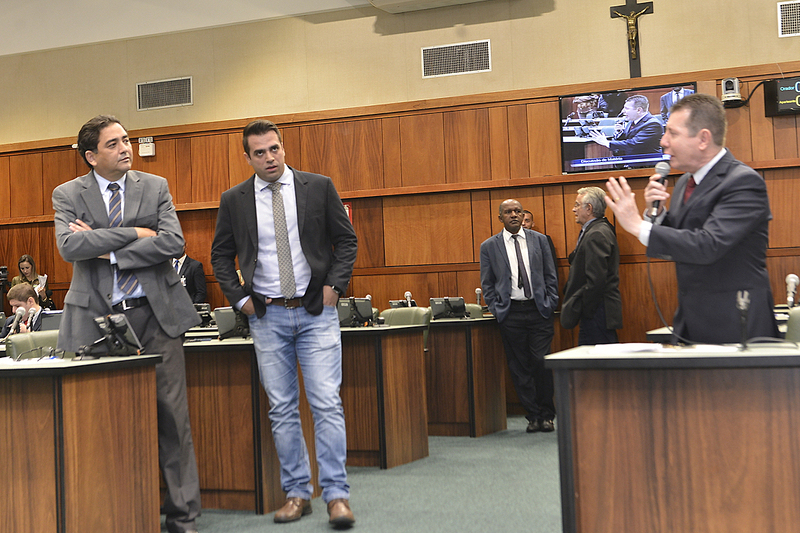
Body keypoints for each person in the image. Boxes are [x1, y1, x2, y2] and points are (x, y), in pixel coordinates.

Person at [52, 115, 202, 533]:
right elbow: (69, 246)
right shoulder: (68, 193)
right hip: (98, 321)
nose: (125, 148)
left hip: (157, 316)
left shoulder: (154, 186)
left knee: (172, 418)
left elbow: (173, 243)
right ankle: (115, 514)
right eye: (113, 143)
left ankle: (183, 517)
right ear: (91, 156)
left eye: (126, 139)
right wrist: (136, 232)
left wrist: (107, 250)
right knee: (104, 422)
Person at [211, 119, 358, 526]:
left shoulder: (319, 186)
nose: (269, 158)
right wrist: (240, 300)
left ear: (283, 147)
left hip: (316, 313)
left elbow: (346, 240)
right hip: (267, 316)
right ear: (247, 157)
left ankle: (336, 496)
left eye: (274, 148)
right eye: (259, 152)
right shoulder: (234, 199)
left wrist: (335, 286)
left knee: (326, 403)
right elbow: (220, 255)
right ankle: (297, 493)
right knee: (282, 409)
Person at [605, 93, 779, 344]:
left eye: (672, 133)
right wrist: (658, 215)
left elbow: (708, 245)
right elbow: (680, 240)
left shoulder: (743, 182)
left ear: (703, 139)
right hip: (690, 323)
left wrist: (637, 225)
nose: (663, 141)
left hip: (737, 326)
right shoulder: (685, 182)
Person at [480, 199, 559, 433]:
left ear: (523, 215)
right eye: (508, 212)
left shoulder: (540, 240)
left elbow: (550, 275)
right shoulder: (489, 246)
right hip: (511, 313)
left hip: (539, 310)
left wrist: (550, 302)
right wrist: (497, 308)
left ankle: (547, 415)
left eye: (518, 211)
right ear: (500, 218)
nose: (514, 215)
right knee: (519, 367)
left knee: (541, 362)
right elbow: (487, 283)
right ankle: (533, 416)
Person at [561, 187, 622, 345]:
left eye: (577, 204)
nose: (573, 209)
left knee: (598, 358)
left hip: (597, 312)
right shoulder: (598, 229)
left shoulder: (596, 234)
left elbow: (596, 280)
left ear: (589, 208)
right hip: (597, 311)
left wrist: (584, 308)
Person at [590, 94, 663, 157]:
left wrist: (607, 143)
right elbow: (626, 138)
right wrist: (619, 132)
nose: (623, 111)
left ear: (639, 110)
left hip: (646, 164)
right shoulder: (632, 121)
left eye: (627, 108)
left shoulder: (653, 124)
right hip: (630, 162)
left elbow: (633, 144)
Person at [522, 209, 558, 285]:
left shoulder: (544, 239)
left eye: (527, 221)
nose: (523, 223)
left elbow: (552, 267)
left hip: (539, 285)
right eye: (521, 221)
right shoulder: (511, 241)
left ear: (532, 224)